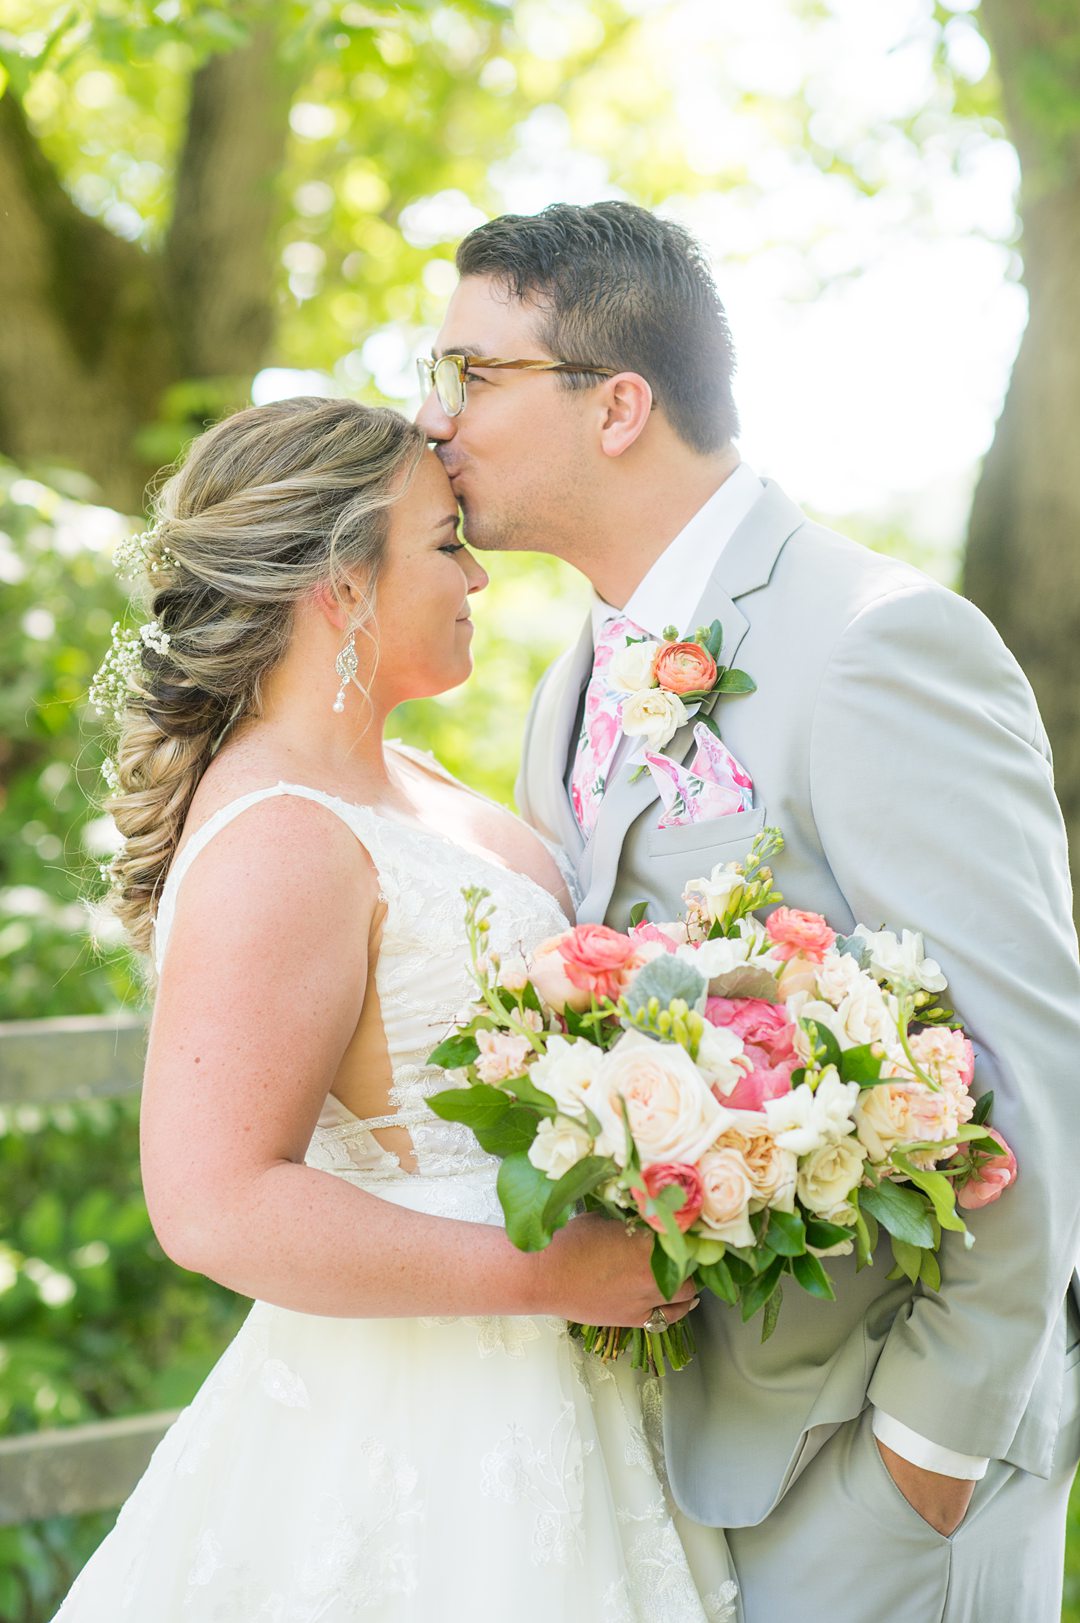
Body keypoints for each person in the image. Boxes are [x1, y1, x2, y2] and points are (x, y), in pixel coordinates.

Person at [416, 199, 1080, 1622]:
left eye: (472, 373)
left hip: (866, 1469)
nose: (433, 419)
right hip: (663, 1456)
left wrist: (934, 1447)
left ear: (619, 405)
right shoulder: (567, 684)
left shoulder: (878, 642)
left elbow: (1039, 1069)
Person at [52, 396, 739, 1620]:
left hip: (561, 1387)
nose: (476, 569)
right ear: (342, 586)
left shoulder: (406, 782)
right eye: (442, 541)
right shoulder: (280, 836)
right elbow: (213, 1205)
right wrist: (548, 1279)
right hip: (428, 1417)